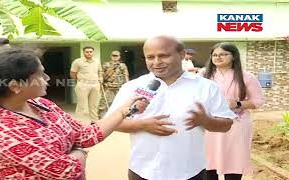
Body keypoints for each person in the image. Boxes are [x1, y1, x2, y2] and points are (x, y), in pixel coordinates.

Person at [0, 48, 149, 179]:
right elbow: (65, 170)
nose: (47, 79)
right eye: (40, 75)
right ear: (16, 86)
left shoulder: (41, 104)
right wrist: (81, 154)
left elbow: (85, 135)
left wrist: (124, 109)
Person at [105, 35, 237, 180]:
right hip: (143, 171)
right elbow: (111, 123)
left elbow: (226, 125)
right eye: (150, 57)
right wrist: (141, 125)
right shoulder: (132, 87)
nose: (156, 62)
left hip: (190, 171)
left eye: (163, 56)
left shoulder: (206, 87)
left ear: (181, 55)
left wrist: (205, 121)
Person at [203, 42, 265, 180]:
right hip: (209, 125)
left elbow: (258, 101)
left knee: (234, 161)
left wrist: (237, 103)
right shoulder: (203, 75)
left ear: (234, 56)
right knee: (207, 162)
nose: (218, 57)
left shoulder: (246, 76)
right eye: (215, 55)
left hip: (236, 125)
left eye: (223, 54)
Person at [70, 46, 103, 124]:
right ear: (83, 52)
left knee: (94, 105)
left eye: (91, 52)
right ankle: (78, 122)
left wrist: (100, 77)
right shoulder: (77, 61)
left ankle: (94, 122)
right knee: (81, 105)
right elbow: (73, 73)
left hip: (95, 85)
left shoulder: (97, 61)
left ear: (93, 52)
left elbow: (100, 71)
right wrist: (79, 81)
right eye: (87, 52)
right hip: (82, 85)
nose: (89, 53)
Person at [98, 50, 129, 118]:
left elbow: (125, 74)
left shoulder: (122, 65)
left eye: (116, 56)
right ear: (111, 56)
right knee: (103, 101)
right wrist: (101, 80)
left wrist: (127, 84)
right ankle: (99, 116)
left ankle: (121, 116)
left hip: (119, 85)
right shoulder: (106, 64)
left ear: (119, 57)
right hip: (108, 85)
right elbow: (101, 73)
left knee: (121, 101)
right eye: (113, 55)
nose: (115, 57)